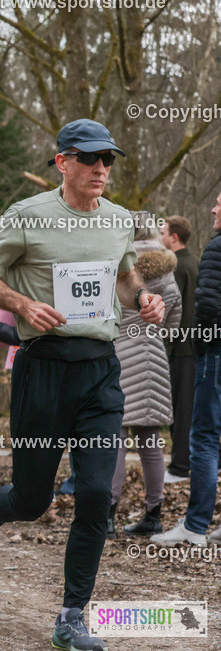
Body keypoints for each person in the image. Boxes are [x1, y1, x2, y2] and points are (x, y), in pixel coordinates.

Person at [0, 119, 165, 651]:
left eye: (108, 160)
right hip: (42, 368)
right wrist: (23, 304)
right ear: (63, 162)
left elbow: (123, 275)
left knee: (98, 494)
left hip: (100, 368)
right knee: (32, 499)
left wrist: (142, 298)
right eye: (91, 158)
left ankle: (72, 616)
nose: (102, 168)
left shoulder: (119, 220)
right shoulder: (28, 216)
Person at [153, 192, 221, 547]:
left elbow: (207, 306)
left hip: (211, 353)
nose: (213, 208)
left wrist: (201, 345)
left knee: (204, 438)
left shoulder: (214, 249)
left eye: (220, 204)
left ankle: (195, 525)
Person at [110, 213, 182, 537]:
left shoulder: (119, 264)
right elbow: (173, 322)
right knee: (151, 443)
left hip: (119, 359)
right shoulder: (167, 272)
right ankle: (153, 515)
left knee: (116, 442)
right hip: (154, 360)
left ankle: (106, 518)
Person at [159, 215, 199, 483]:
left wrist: (165, 346)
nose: (160, 236)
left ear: (174, 237)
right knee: (189, 409)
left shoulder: (177, 266)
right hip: (195, 347)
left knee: (180, 410)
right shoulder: (196, 263)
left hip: (180, 349)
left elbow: (173, 310)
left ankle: (179, 466)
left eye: (163, 232)